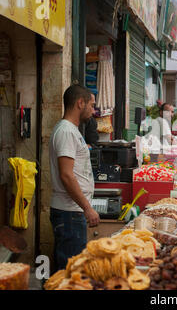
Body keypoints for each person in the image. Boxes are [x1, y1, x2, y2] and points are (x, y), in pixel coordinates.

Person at [49, 84, 100, 271]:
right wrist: (87, 208)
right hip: (70, 213)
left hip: (72, 212)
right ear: (80, 103)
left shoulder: (71, 131)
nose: (93, 111)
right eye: (91, 105)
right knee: (72, 273)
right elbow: (66, 175)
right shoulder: (66, 132)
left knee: (72, 271)